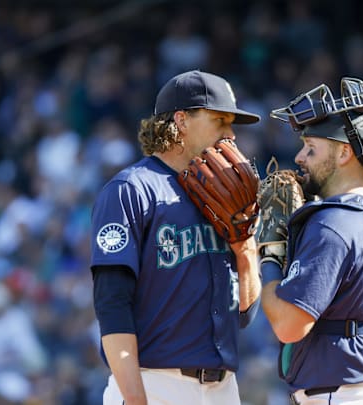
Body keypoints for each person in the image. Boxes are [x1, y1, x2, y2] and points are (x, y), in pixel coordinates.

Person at [90, 70, 262, 405]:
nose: (231, 134)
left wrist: (246, 248)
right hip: (155, 384)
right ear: (181, 120)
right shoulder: (132, 190)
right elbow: (112, 306)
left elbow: (244, 315)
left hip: (223, 388)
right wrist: (136, 399)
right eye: (221, 121)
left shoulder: (225, 196)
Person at [260, 78, 363, 404]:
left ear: (345, 152)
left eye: (311, 148)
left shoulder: (331, 224)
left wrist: (270, 257)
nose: (300, 157)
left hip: (346, 396)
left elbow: (288, 327)